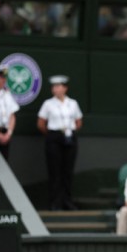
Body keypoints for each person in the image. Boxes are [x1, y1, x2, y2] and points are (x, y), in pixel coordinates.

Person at [37, 75, 83, 211]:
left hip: (69, 136)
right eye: (53, 87)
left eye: (58, 86)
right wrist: (53, 134)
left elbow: (79, 121)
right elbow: (40, 123)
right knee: (55, 171)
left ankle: (67, 201)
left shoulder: (73, 103)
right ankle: (55, 202)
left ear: (65, 88)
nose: (55, 89)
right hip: (54, 137)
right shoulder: (48, 104)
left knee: (67, 171)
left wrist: (69, 131)